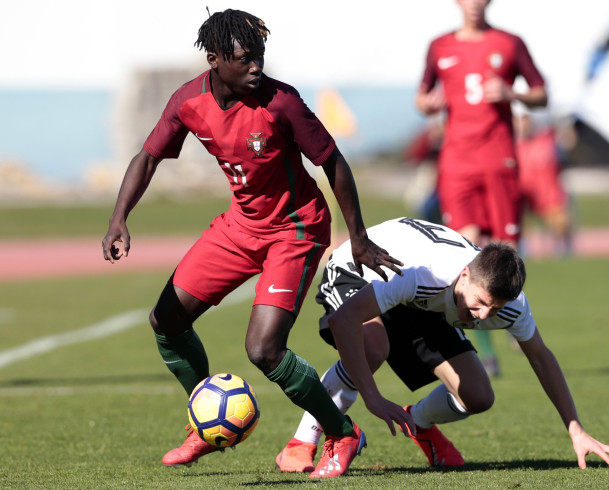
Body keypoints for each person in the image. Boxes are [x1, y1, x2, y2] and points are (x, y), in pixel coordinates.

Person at [100, 9, 403, 479]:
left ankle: (342, 432)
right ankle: (208, 418)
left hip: (295, 230)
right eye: (245, 59)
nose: (256, 67)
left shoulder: (281, 102)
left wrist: (357, 237)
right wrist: (119, 218)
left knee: (264, 350)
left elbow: (333, 162)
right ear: (215, 58)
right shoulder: (188, 101)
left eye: (259, 56)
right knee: (166, 320)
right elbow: (148, 156)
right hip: (240, 227)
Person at [275, 217, 609, 472]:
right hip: (364, 269)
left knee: (478, 395)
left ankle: (421, 423)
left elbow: (541, 357)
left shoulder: (506, 304)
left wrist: (575, 429)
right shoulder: (425, 273)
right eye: (479, 302)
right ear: (465, 276)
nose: (483, 316)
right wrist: (373, 398)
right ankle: (302, 441)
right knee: (372, 346)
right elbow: (344, 320)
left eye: (494, 309)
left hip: (422, 301)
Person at [415, 0, 548, 249]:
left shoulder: (510, 43)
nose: (474, 3)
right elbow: (421, 97)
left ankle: (508, 289)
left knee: (504, 250)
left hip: (498, 157)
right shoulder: (439, 46)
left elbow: (541, 94)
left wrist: (512, 94)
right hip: (457, 160)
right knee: (464, 246)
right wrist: (428, 104)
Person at [515, 107, 573, 257]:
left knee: (560, 224)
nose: (523, 124)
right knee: (517, 223)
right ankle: (524, 254)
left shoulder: (548, 139)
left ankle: (563, 253)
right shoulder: (515, 143)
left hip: (549, 193)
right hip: (524, 193)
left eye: (526, 120)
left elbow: (568, 141)